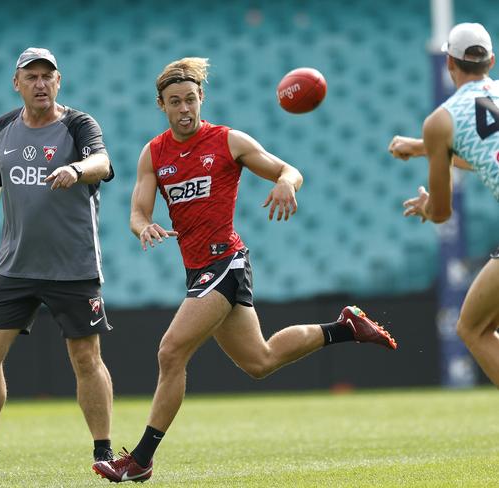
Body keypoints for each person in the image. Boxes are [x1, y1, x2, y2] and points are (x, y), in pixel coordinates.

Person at [92, 57, 397, 483]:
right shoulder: (153, 153)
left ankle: (140, 459)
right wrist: (145, 227)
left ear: (202, 99)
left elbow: (288, 169)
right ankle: (345, 327)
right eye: (174, 101)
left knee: (170, 352)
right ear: (160, 105)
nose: (184, 108)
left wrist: (287, 182)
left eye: (191, 99)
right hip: (198, 268)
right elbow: (137, 212)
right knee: (260, 360)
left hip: (225, 262)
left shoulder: (227, 141)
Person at [0, 47, 115, 478]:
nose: (39, 83)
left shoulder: (78, 124)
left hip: (73, 266)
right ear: (16, 83)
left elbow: (103, 162)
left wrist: (77, 169)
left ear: (59, 82)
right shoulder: (1, 129)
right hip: (15, 267)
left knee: (86, 359)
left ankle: (104, 453)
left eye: (46, 76)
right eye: (30, 76)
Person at [388, 23, 499, 385]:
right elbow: (485, 156)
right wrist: (424, 147)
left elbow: (442, 212)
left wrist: (426, 206)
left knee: (472, 327)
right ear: (492, 61)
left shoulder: (441, 121)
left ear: (448, 63)